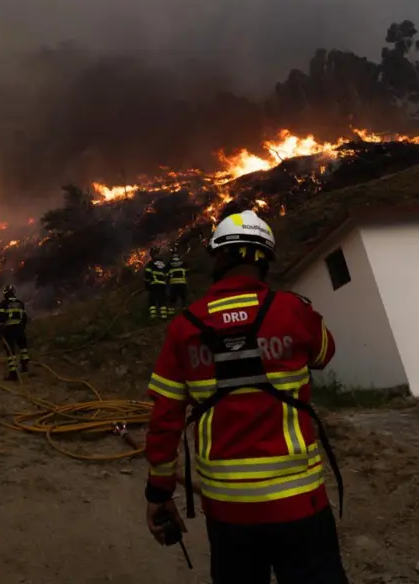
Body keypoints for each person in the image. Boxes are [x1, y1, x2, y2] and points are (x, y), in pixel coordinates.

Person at [142, 210, 347, 584]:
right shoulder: (293, 311)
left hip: (228, 512)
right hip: (302, 504)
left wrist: (159, 492)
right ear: (265, 259)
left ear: (218, 257)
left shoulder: (185, 326)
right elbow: (324, 354)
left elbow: (165, 420)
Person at [0, 284, 31, 381]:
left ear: (5, 294)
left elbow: (1, 318)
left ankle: (13, 373)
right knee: (23, 349)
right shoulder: (20, 303)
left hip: (9, 330)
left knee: (11, 351)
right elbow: (24, 317)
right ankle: (24, 367)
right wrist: (22, 328)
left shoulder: (4, 304)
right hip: (20, 328)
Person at [143, 252, 169, 320]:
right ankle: (164, 316)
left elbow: (147, 274)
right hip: (162, 285)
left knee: (152, 300)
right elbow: (167, 275)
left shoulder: (151, 264)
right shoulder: (163, 265)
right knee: (162, 300)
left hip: (154, 284)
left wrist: (147, 284)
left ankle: (153, 316)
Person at [166, 246, 188, 316]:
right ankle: (185, 311)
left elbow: (167, 274)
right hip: (182, 282)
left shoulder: (169, 264)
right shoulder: (182, 262)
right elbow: (187, 271)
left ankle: (171, 313)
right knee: (183, 297)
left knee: (173, 298)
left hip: (173, 283)